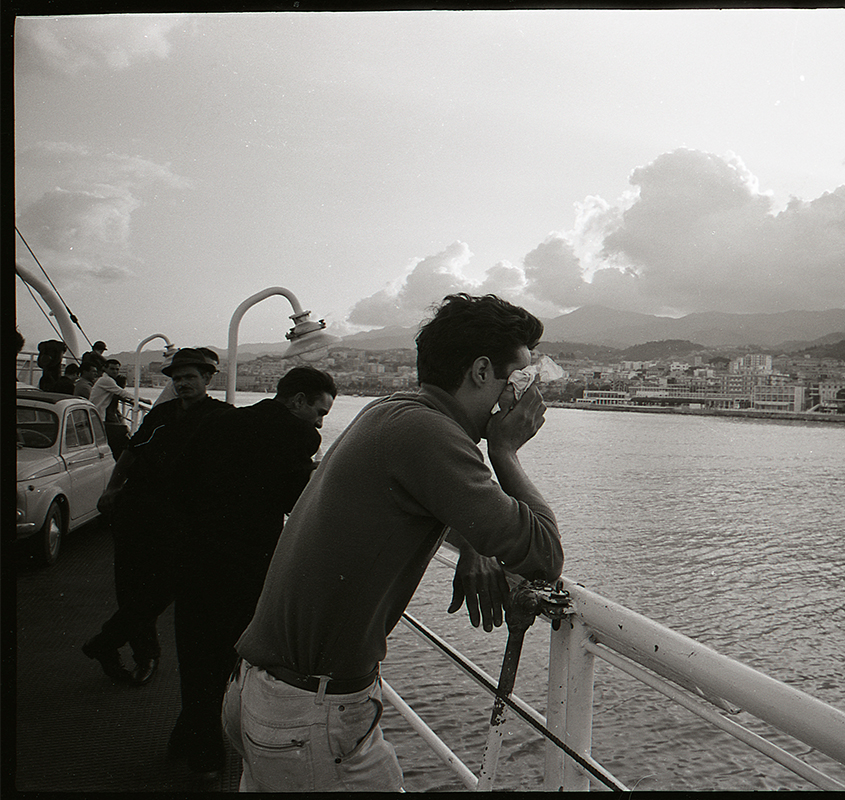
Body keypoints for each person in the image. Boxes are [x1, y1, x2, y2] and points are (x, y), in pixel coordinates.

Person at [222, 293, 563, 792]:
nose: (524, 395)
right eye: (522, 379)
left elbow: (430, 497)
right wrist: (505, 450)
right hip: (308, 716)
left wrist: (473, 543)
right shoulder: (429, 433)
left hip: (265, 693)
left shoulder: (396, 412)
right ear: (483, 372)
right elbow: (544, 554)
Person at [170, 366, 337, 778]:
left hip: (193, 555)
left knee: (194, 653)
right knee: (231, 659)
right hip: (244, 564)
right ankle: (206, 757)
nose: (319, 422)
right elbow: (296, 504)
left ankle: (186, 739)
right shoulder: (298, 436)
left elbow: (182, 479)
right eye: (319, 411)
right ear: (297, 400)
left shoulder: (221, 421)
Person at [82, 349, 233, 686]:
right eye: (177, 379)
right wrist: (111, 488)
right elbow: (132, 452)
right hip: (137, 509)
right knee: (130, 587)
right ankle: (142, 654)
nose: (182, 384)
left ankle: (106, 642)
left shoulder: (222, 417)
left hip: (180, 517)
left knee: (166, 585)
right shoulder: (162, 414)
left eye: (190, 377)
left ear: (208, 379)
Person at [90, 359, 137, 459]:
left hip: (97, 414)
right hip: (97, 415)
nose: (115, 372)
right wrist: (141, 400)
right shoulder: (106, 380)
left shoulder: (104, 380)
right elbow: (121, 392)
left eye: (117, 369)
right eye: (112, 369)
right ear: (104, 368)